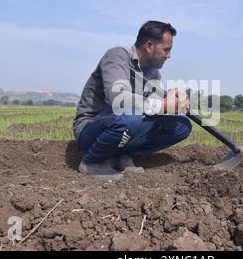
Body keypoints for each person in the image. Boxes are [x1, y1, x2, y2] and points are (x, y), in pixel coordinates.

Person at [73, 21, 192, 180]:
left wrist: (173, 99)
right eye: (166, 49)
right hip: (92, 127)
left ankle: (122, 155)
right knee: (132, 117)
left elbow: (154, 107)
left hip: (124, 122)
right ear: (149, 46)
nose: (169, 55)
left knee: (181, 125)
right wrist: (162, 105)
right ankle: (91, 162)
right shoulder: (117, 56)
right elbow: (116, 98)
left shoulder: (153, 74)